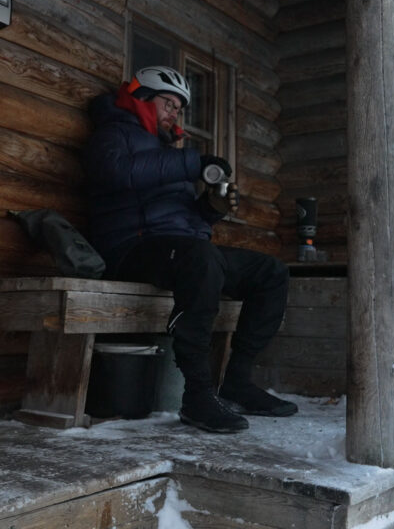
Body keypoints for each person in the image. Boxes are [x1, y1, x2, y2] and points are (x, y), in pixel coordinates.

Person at [83, 65, 297, 433]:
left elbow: (185, 223)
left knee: (271, 272)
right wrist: (193, 163)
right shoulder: (112, 135)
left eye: (179, 109)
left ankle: (236, 381)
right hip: (130, 248)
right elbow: (116, 173)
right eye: (169, 104)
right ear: (143, 99)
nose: (174, 114)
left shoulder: (168, 155)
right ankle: (197, 396)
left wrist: (208, 211)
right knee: (200, 258)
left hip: (181, 250)